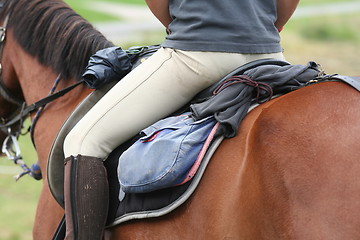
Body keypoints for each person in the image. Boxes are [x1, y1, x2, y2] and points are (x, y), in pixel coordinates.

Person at [63, 0, 300, 239]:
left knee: (82, 142)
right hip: (269, 54)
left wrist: (182, 27)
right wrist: (264, 27)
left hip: (195, 53)